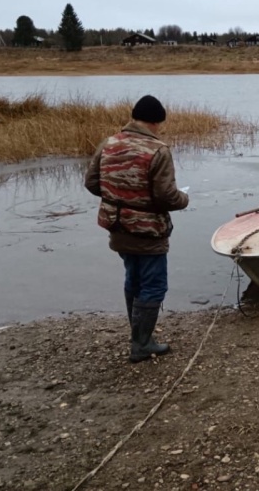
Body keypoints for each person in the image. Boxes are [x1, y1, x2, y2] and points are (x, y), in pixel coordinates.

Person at [85, 95, 189, 363]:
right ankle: (142, 344)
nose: (159, 129)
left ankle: (139, 338)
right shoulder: (158, 150)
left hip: (117, 226)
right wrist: (184, 199)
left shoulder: (109, 143)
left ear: (134, 117)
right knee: (154, 286)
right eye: (159, 124)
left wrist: (119, 196)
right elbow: (167, 197)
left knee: (133, 278)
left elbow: (91, 182)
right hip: (147, 230)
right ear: (155, 121)